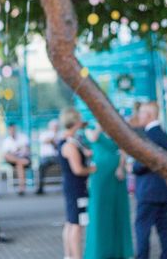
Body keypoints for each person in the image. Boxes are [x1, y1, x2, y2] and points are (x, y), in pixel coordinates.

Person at [84, 124, 133, 259]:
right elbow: (93, 138)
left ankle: (119, 250)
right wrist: (100, 126)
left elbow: (123, 149)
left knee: (118, 210)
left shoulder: (115, 129)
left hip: (116, 175)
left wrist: (121, 166)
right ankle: (99, 251)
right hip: (100, 175)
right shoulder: (90, 128)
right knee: (99, 211)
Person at [133, 102, 167, 259]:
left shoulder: (150, 136)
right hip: (161, 190)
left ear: (149, 115)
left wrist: (133, 167)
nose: (138, 116)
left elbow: (143, 164)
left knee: (142, 228)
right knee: (163, 229)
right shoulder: (162, 134)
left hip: (149, 190)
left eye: (141, 113)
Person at [58, 107, 96, 259]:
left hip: (70, 186)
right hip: (76, 188)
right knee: (76, 225)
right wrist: (93, 169)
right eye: (79, 120)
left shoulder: (68, 140)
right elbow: (78, 170)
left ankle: (69, 256)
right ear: (74, 122)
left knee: (70, 222)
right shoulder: (70, 145)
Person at [2, 122, 31, 195]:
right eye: (10, 129)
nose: (12, 131)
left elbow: (27, 150)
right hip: (16, 160)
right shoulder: (6, 141)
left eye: (13, 129)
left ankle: (21, 188)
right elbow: (6, 155)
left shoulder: (23, 137)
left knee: (19, 164)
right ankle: (22, 188)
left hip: (23, 159)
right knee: (8, 156)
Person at [36, 119, 61, 195]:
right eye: (54, 126)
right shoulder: (45, 134)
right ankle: (40, 188)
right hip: (46, 157)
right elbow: (46, 141)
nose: (55, 128)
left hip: (57, 157)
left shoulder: (61, 134)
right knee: (41, 167)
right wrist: (54, 137)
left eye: (56, 126)